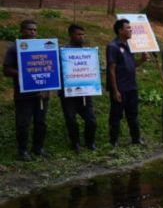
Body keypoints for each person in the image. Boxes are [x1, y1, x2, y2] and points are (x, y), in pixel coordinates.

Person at [3, 20, 49, 160]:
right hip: (24, 95)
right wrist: (24, 73)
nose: (33, 32)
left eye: (35, 30)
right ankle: (22, 151)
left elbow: (49, 69)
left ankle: (38, 148)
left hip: (42, 94)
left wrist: (48, 88)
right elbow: (6, 70)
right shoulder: (14, 49)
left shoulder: (44, 47)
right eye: (29, 30)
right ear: (22, 31)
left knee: (41, 122)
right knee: (23, 123)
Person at [107, 18, 148, 146]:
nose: (131, 30)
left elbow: (130, 65)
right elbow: (111, 69)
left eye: (131, 28)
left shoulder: (130, 45)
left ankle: (136, 139)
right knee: (116, 116)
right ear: (120, 30)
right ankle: (114, 141)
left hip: (131, 87)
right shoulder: (113, 46)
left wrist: (141, 60)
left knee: (133, 114)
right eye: (128, 28)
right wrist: (115, 90)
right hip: (120, 88)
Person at [58, 24, 98, 152]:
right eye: (78, 34)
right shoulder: (63, 51)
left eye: (83, 34)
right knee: (71, 120)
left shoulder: (87, 52)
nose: (82, 37)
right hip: (68, 93)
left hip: (85, 93)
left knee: (91, 120)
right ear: (71, 35)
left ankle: (90, 143)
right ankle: (75, 144)